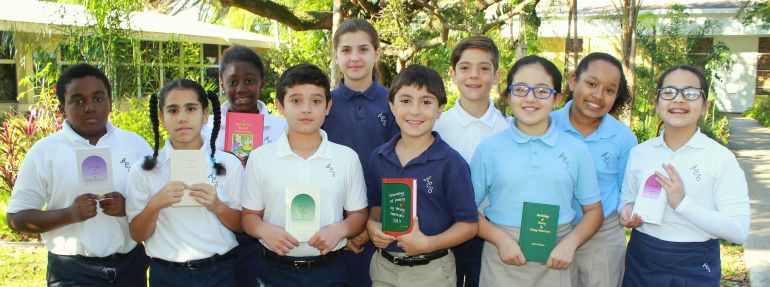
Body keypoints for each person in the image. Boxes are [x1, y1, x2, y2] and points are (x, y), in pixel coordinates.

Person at [6, 63, 151, 286]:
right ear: (62, 108)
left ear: (111, 103)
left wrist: (130, 208)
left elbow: (158, 202)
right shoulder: (44, 152)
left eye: (98, 98)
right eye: (77, 101)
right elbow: (16, 218)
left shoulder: (135, 145)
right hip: (71, 272)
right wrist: (69, 214)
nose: (90, 107)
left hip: (129, 267)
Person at [471, 55, 603, 286]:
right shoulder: (489, 149)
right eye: (520, 89)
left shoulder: (576, 150)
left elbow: (594, 211)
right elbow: (465, 209)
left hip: (557, 259)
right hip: (503, 258)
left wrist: (570, 244)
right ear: (508, 94)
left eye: (542, 91)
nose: (530, 98)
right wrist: (501, 240)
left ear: (557, 99)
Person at [619, 65, 750, 287]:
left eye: (690, 93)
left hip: (696, 263)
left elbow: (738, 231)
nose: (679, 99)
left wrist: (682, 204)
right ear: (656, 101)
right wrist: (627, 212)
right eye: (669, 92)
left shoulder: (720, 158)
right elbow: (627, 200)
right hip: (642, 258)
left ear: (704, 106)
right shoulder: (640, 153)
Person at [241, 64, 368, 286]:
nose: (306, 109)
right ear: (280, 105)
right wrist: (263, 229)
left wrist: (340, 229)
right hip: (275, 270)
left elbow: (359, 215)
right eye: (296, 100)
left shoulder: (347, 158)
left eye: (316, 101)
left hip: (330, 270)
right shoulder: (260, 158)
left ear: (328, 106)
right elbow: (249, 216)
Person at [367, 64, 479, 287]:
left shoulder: (451, 163)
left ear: (439, 110)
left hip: (432, 271)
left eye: (426, 102)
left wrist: (428, 243)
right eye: (405, 101)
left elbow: (469, 224)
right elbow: (376, 206)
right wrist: (372, 225)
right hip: (384, 269)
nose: (415, 111)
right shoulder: (378, 157)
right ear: (391, 105)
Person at [126, 79, 244, 286]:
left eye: (190, 108)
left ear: (205, 114)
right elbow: (137, 233)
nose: (182, 118)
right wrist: (155, 204)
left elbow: (241, 225)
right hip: (167, 274)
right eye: (172, 110)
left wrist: (217, 206)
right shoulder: (145, 170)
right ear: (162, 117)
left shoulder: (228, 164)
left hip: (219, 272)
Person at [200, 44, 288, 286]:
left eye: (249, 81)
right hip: (221, 231)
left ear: (261, 82)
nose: (240, 89)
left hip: (266, 230)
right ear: (221, 83)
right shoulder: (207, 131)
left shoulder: (281, 128)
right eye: (232, 81)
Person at [323, 18, 400, 287]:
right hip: (330, 228)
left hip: (379, 228)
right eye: (345, 50)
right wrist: (342, 229)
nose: (354, 58)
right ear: (335, 55)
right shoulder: (323, 104)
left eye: (363, 49)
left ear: (376, 53)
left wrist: (369, 226)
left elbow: (397, 169)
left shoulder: (394, 103)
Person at [551, 52, 637, 287]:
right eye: (591, 84)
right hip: (550, 231)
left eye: (610, 90)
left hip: (603, 236)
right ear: (572, 81)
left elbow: (626, 191)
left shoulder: (623, 138)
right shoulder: (546, 124)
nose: (598, 96)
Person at [433, 35, 509, 287]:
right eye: (465, 68)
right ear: (453, 74)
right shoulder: (435, 127)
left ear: (497, 76)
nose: (474, 75)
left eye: (484, 68)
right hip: (442, 233)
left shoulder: (509, 130)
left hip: (491, 235)